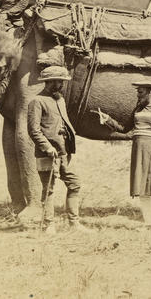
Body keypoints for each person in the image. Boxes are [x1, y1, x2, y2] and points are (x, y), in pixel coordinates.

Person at [96, 81, 151, 232]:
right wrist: (108, 120)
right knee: (142, 190)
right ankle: (149, 225)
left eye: (141, 92)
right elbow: (124, 129)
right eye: (138, 92)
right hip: (138, 154)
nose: (138, 95)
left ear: (150, 92)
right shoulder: (137, 110)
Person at [27, 66, 92, 234]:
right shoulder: (37, 101)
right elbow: (34, 130)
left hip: (63, 153)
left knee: (74, 184)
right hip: (47, 154)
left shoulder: (60, 100)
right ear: (49, 82)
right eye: (59, 81)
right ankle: (48, 224)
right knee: (49, 188)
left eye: (62, 81)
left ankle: (74, 223)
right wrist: (47, 147)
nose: (62, 84)